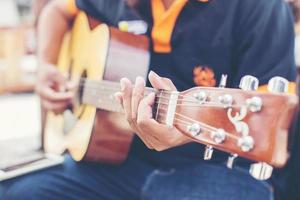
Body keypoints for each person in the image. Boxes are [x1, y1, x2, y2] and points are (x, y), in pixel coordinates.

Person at [0, 0, 297, 199]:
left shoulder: (260, 8)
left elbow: (264, 124)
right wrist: (46, 67)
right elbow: (56, 10)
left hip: (217, 172)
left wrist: (185, 133)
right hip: (112, 162)